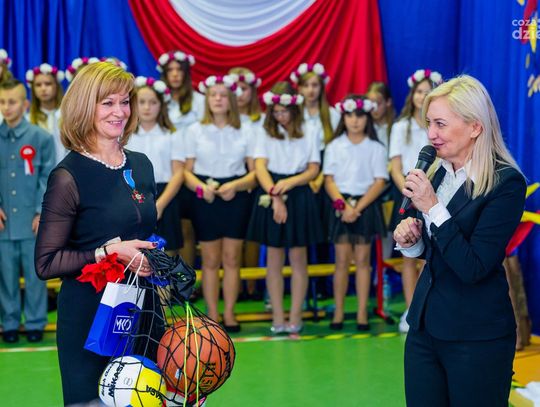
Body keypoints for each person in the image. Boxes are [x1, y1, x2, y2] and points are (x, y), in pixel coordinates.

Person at [394, 75, 526, 407]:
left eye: (440, 123)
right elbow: (438, 249)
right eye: (429, 123)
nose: (431, 134)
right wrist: (412, 240)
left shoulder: (506, 183)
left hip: (476, 335)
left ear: (475, 127)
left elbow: (473, 266)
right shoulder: (439, 172)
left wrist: (432, 208)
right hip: (425, 328)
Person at [34, 62, 157, 406]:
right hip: (90, 321)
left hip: (143, 312)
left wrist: (156, 263)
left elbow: (147, 235)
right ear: (84, 107)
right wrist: (107, 252)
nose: (120, 112)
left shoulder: (141, 164)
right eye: (108, 103)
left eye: (125, 101)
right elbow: (45, 263)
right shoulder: (67, 177)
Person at [246, 82, 323, 334]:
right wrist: (275, 195)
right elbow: (260, 166)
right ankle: (278, 317)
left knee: (299, 258)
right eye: (276, 111)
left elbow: (313, 169)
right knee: (274, 258)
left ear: (295, 109)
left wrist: (289, 183)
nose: (280, 116)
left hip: (298, 191)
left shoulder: (310, 129)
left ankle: (295, 316)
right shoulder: (264, 130)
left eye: (284, 111)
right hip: (272, 188)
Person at [184, 75, 257, 332]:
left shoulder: (246, 129)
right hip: (206, 196)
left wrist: (236, 186)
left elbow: (254, 173)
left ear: (232, 100)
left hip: (236, 195)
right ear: (206, 99)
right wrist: (201, 188)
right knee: (211, 259)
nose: (217, 99)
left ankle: (230, 313)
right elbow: (186, 172)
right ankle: (213, 314)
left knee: (232, 258)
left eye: (223, 95)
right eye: (213, 95)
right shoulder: (195, 130)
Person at [324, 95, 388, 331]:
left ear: (367, 118)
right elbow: (329, 180)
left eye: (359, 116)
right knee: (341, 261)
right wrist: (344, 206)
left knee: (362, 261)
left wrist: (357, 208)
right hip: (341, 206)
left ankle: (362, 312)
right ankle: (339, 311)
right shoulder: (334, 146)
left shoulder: (375, 148)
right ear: (343, 117)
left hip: (365, 206)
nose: (354, 121)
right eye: (349, 115)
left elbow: (379, 181)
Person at [0, 79, 55, 343]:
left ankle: (35, 321)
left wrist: (40, 211)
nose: (6, 107)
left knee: (34, 276)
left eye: (12, 102)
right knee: (5, 275)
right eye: (2, 102)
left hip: (31, 219)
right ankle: (9, 322)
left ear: (25, 104)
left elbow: (48, 177)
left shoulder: (41, 138)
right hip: (4, 222)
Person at [388, 68, 443, 333]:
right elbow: (395, 167)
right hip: (407, 195)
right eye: (420, 92)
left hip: (434, 195)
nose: (423, 96)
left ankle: (427, 307)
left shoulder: (439, 127)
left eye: (428, 92)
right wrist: (409, 190)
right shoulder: (401, 127)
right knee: (408, 253)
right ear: (412, 95)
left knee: (429, 254)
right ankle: (410, 309)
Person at [127, 76, 185, 254]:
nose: (147, 107)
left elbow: (178, 173)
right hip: (133, 194)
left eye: (153, 102)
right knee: (135, 253)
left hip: (165, 196)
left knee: (168, 253)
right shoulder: (126, 135)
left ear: (161, 105)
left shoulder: (171, 134)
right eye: (142, 102)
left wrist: (160, 205)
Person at [157, 50, 204, 267]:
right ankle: (169, 278)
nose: (175, 74)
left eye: (179, 70)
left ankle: (187, 279)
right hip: (170, 172)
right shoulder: (159, 100)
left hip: (192, 171)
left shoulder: (199, 101)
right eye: (171, 70)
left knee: (189, 228)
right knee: (174, 230)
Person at [25, 63, 66, 163]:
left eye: (48, 84)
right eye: (38, 85)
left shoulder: (66, 116)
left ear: (56, 86)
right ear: (33, 89)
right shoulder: (28, 119)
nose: (43, 89)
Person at [366, 81, 395, 154]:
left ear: (388, 102)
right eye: (371, 104)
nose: (374, 108)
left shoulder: (396, 127)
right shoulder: (364, 127)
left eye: (378, 103)